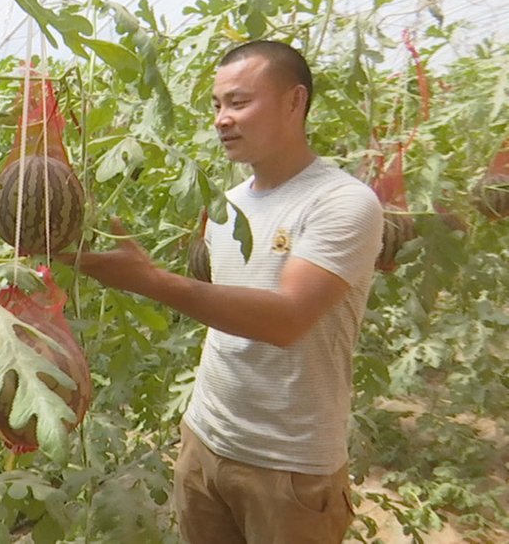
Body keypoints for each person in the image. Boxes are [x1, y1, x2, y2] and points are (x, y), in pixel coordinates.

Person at [60, 40, 384, 543]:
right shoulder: (224, 205)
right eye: (216, 105)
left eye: (238, 102)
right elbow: (226, 312)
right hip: (205, 440)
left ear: (294, 101)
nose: (221, 119)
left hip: (289, 467)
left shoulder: (342, 202)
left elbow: (285, 319)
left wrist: (149, 280)